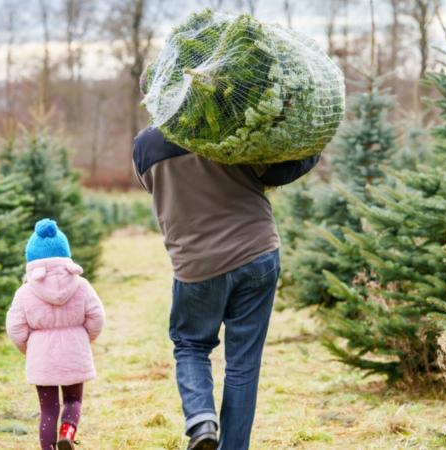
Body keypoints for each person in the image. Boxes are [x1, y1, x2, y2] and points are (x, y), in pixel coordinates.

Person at [133, 127, 319, 450]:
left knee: (191, 345)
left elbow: (154, 187)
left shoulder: (145, 146)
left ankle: (202, 420)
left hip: (196, 267)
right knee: (243, 362)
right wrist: (313, 147)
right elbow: (281, 170)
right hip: (256, 253)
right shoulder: (226, 127)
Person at [6, 218, 106, 450]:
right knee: (73, 401)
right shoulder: (81, 285)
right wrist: (85, 338)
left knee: (48, 409)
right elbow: (97, 316)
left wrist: (28, 349)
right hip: (75, 351)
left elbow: (15, 328)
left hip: (42, 355)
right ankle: (67, 435)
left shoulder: (25, 292)